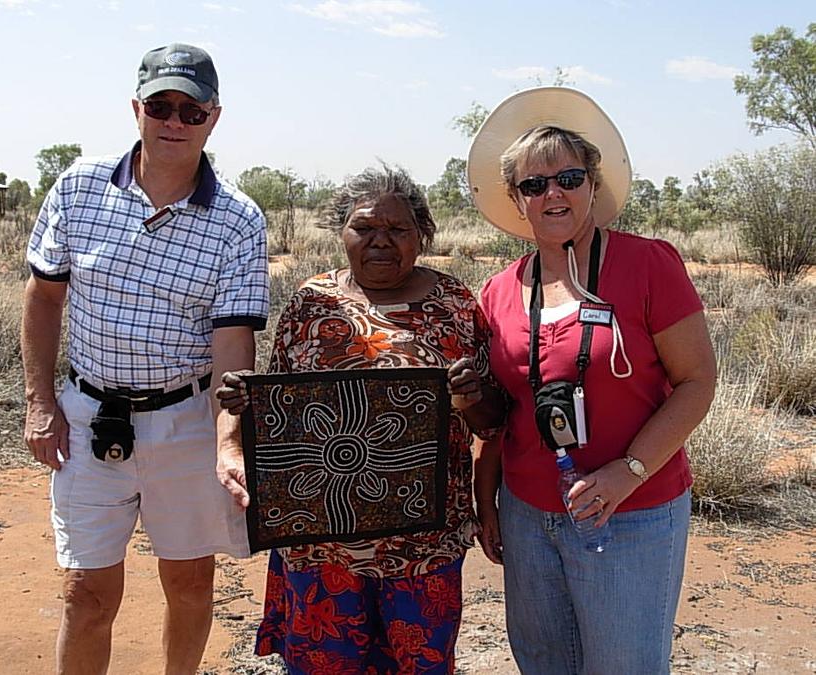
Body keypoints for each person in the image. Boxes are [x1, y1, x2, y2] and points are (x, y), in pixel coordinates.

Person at [21, 43, 268, 674]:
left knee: (188, 583)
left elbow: (233, 344)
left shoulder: (238, 220)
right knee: (86, 592)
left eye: (191, 110)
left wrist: (228, 439)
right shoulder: (79, 188)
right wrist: (40, 404)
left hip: (186, 419)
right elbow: (44, 298)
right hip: (87, 416)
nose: (174, 122)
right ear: (137, 108)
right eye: (162, 105)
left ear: (214, 118)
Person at [216, 164, 505, 674]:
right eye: (365, 227)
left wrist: (469, 398)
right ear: (340, 231)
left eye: (397, 229)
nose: (380, 242)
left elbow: (493, 420)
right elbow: (286, 420)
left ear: (423, 235)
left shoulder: (455, 304)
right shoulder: (311, 303)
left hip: (424, 545)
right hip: (319, 545)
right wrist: (248, 406)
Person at [467, 87, 717, 674]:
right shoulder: (500, 290)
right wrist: (487, 495)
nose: (553, 193)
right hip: (529, 514)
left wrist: (626, 473)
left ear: (593, 185)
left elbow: (698, 381)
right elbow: (502, 409)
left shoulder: (648, 264)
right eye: (534, 184)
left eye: (568, 178)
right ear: (516, 199)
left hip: (632, 512)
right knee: (544, 662)